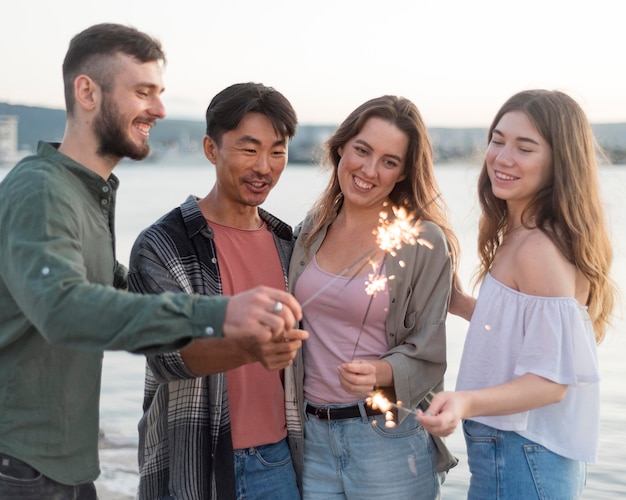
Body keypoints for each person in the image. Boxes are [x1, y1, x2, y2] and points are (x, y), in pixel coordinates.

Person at [0, 26, 301, 500]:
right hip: (21, 467)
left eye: (159, 94)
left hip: (64, 469)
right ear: (87, 92)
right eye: (143, 93)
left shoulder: (85, 195)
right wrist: (224, 313)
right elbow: (65, 309)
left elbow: (126, 297)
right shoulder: (41, 189)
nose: (160, 110)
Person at [418, 89, 617, 499]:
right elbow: (526, 334)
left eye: (525, 148)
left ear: (559, 162)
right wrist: (462, 305)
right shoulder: (531, 232)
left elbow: (551, 381)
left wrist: (463, 402)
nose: (502, 157)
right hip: (525, 453)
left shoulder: (537, 247)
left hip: (524, 456)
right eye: (498, 139)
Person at [127, 82, 308, 500]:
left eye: (277, 151)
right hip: (191, 467)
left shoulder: (290, 246)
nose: (264, 166)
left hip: (277, 463)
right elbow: (168, 354)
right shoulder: (162, 244)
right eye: (248, 149)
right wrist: (252, 349)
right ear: (211, 149)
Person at [286, 95, 460, 499]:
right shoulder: (311, 229)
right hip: (309, 437)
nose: (369, 170)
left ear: (402, 173)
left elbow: (430, 351)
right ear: (340, 148)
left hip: (388, 439)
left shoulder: (424, 241)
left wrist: (381, 373)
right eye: (362, 150)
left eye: (389, 161)